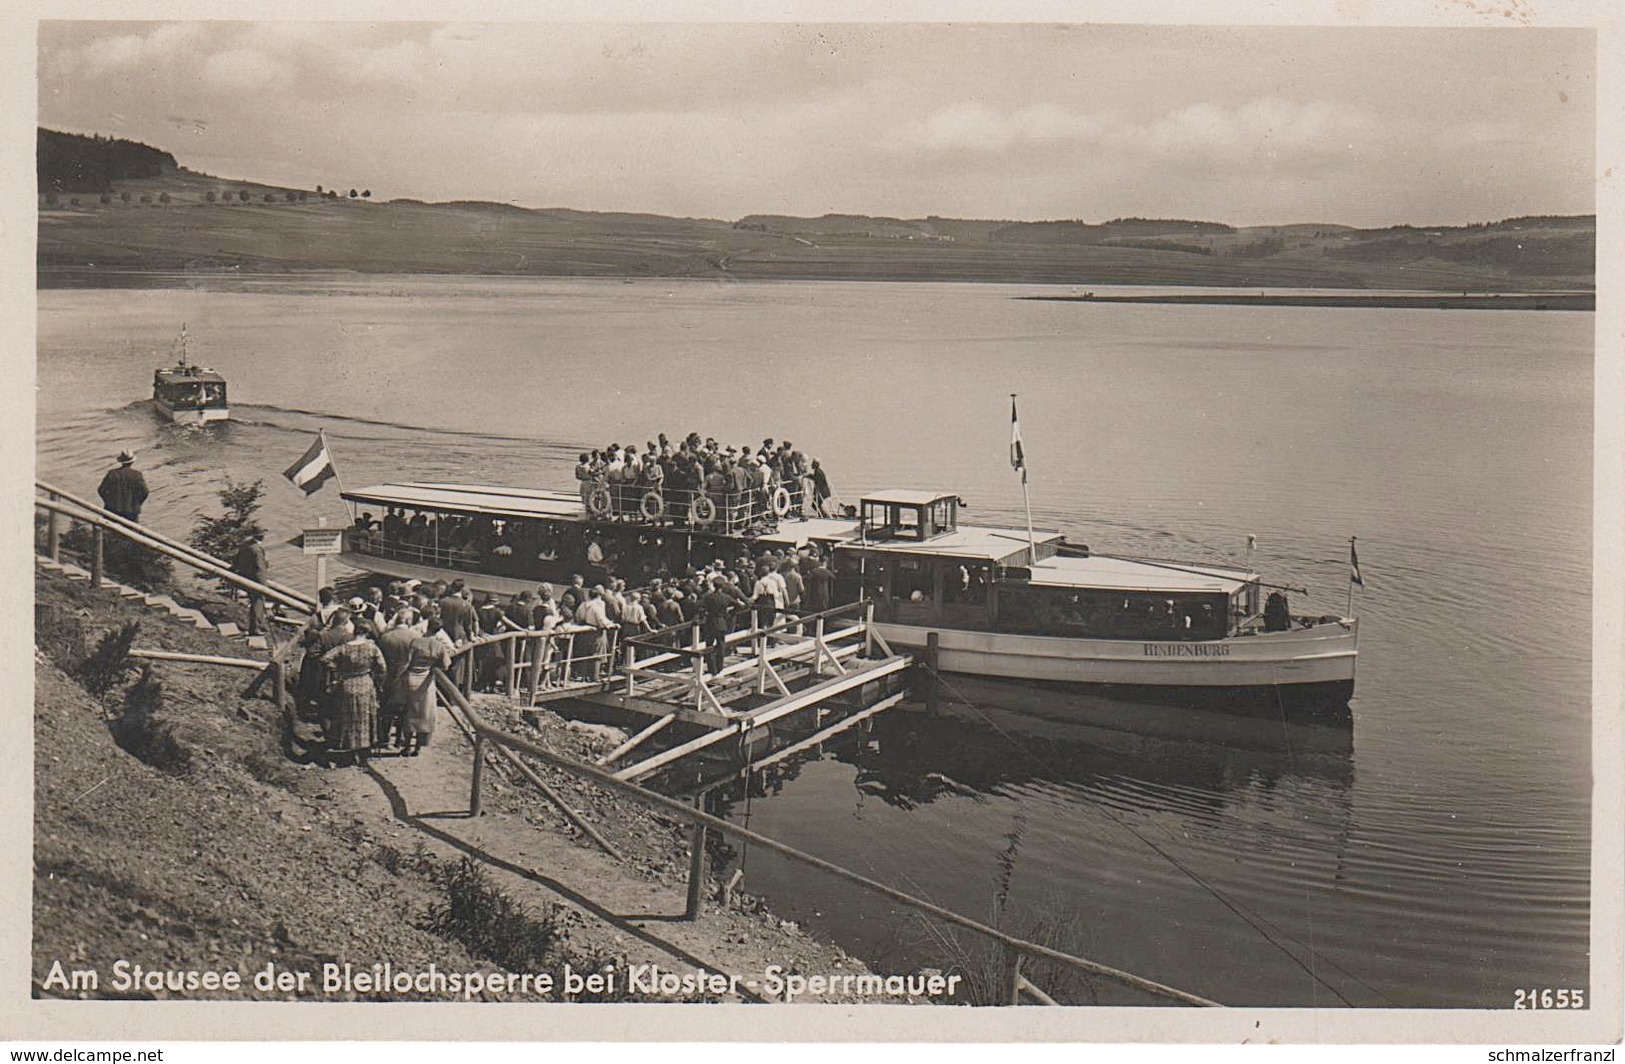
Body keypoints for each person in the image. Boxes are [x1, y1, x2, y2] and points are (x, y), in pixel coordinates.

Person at [320, 618, 384, 766]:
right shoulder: (372, 648)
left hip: (347, 684)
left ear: (354, 632)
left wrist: (337, 670)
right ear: (367, 633)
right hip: (365, 684)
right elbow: (382, 667)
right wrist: (377, 680)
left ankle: (349, 747)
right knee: (365, 716)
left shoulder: (344, 648)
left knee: (349, 717)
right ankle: (363, 750)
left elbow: (325, 659)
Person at [396, 618, 453, 756]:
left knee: (409, 712)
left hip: (411, 678)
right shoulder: (439, 646)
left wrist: (399, 676)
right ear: (438, 630)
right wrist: (434, 665)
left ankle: (407, 746)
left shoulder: (415, 642)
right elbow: (446, 664)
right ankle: (418, 747)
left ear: (427, 627)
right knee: (424, 714)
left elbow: (406, 662)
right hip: (426, 681)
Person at [376, 608, 419, 749]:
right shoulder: (416, 637)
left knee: (386, 709)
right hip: (407, 677)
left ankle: (384, 738)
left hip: (388, 677)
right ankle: (400, 739)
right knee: (405, 711)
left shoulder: (386, 637)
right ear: (408, 621)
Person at [231, 529, 269, 636]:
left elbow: (236, 560)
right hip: (255, 579)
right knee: (258, 602)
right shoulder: (257, 550)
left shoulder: (245, 545)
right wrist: (263, 585)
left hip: (244, 576)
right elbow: (260, 568)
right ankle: (255, 627)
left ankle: (261, 624)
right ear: (261, 536)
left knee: (256, 602)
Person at [98, 450, 149, 521]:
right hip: (131, 511)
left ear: (121, 461)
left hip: (112, 510)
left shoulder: (112, 474)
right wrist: (136, 503)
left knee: (110, 530)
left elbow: (101, 490)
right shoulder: (137, 475)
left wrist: (109, 502)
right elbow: (145, 492)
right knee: (131, 531)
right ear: (132, 462)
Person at [700, 576, 735, 675]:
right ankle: (720, 667)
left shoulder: (708, 597)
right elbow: (739, 605)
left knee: (709, 646)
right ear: (722, 586)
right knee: (721, 646)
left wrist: (705, 613)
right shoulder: (726, 597)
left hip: (710, 623)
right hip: (721, 623)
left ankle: (712, 668)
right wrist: (729, 613)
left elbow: (699, 607)